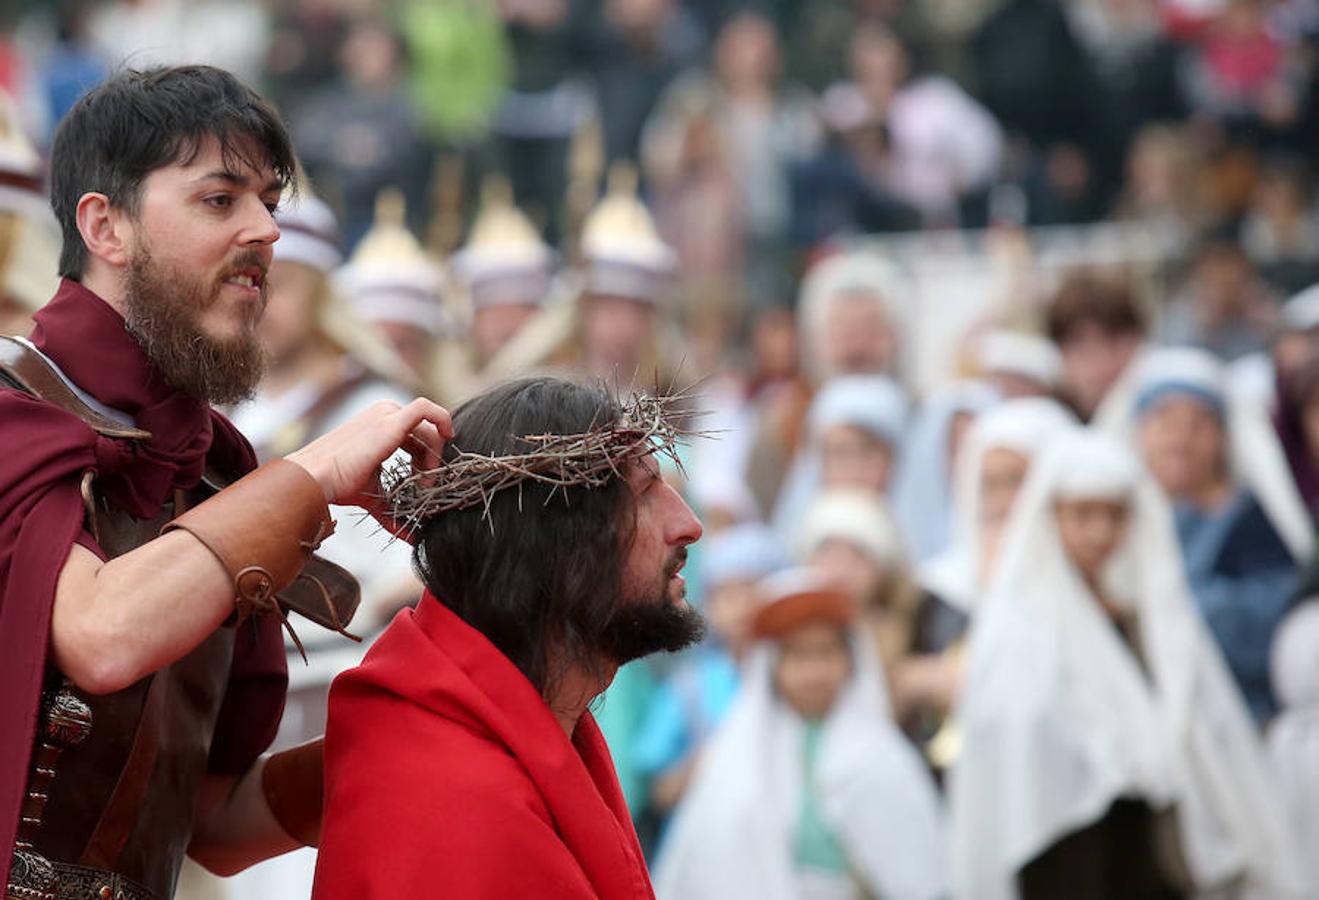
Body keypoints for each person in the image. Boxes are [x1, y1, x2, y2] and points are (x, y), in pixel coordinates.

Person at [0, 65, 451, 900]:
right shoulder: (9, 413)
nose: (267, 232)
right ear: (106, 226)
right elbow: (102, 636)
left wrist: (423, 730)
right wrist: (309, 475)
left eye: (269, 203)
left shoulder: (222, 474)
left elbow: (213, 823)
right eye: (221, 199)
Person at [313, 376, 705, 898]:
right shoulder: (464, 814)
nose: (689, 525)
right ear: (557, 550)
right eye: (643, 493)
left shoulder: (485, 737)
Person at [951, 430, 1304, 900]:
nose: (1100, 534)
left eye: (1114, 516)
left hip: (1141, 846)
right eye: (1083, 515)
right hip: (1060, 852)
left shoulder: (1148, 622)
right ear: (1051, 516)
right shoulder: (1019, 629)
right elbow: (1014, 754)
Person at [652, 567, 948, 900]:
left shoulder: (883, 755)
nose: (814, 672)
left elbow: (920, 876)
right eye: (797, 655)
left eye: (826, 652)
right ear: (773, 665)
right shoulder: (737, 758)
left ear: (850, 660)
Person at [1129, 347, 1304, 722]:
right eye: (1165, 421)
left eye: (1199, 423)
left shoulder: (1255, 521)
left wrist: (1165, 605)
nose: (1181, 439)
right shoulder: (1117, 518)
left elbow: (1273, 626)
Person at [634, 523, 787, 817]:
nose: (741, 606)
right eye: (727, 595)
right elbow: (657, 790)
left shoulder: (792, 677)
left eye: (751, 590)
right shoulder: (690, 687)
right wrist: (705, 765)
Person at [920, 397, 1076, 612]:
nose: (1002, 502)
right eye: (990, 485)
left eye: (1016, 481)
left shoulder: (1093, 589)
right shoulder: (942, 589)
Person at [1045, 270, 1148, 422]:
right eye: (1084, 350)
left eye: (1114, 343)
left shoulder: (1161, 420)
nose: (1102, 363)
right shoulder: (1043, 418)